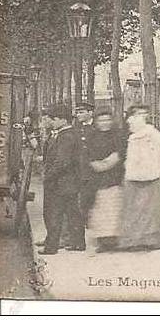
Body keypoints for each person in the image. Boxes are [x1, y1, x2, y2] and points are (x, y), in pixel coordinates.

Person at [119, 104, 160, 252]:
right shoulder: (128, 133)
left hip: (150, 174)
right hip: (132, 175)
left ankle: (152, 239)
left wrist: (159, 167)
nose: (140, 117)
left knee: (151, 209)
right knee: (134, 208)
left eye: (143, 114)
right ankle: (133, 240)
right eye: (137, 114)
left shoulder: (151, 132)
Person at [37, 105, 86, 255]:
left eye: (54, 119)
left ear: (63, 120)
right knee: (72, 213)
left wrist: (48, 176)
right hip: (68, 182)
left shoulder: (67, 136)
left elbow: (62, 162)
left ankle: (51, 247)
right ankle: (78, 243)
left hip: (61, 182)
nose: (52, 121)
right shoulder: (66, 134)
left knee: (54, 214)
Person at [82, 106, 126, 253]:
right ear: (96, 121)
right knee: (99, 210)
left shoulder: (118, 135)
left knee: (113, 209)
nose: (105, 123)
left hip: (113, 177)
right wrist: (93, 164)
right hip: (96, 178)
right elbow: (87, 154)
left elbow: (120, 154)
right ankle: (102, 241)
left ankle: (114, 240)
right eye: (101, 120)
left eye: (107, 120)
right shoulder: (92, 136)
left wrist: (107, 163)